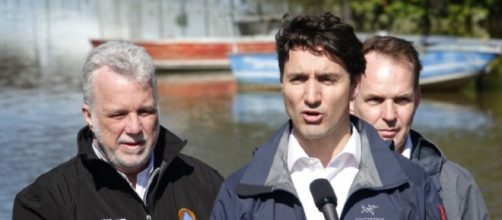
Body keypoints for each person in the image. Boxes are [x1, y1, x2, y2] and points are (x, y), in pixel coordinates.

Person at [211, 12, 444, 220]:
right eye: (298, 79)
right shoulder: (240, 192)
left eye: (327, 79)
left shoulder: (412, 185)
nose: (311, 96)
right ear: (282, 84)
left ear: (354, 87)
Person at [13, 41, 223, 220]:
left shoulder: (208, 184)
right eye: (118, 115)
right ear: (89, 116)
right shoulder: (45, 202)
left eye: (145, 112)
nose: (134, 128)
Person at [351, 35, 489, 219]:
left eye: (402, 100)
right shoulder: (322, 173)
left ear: (417, 100)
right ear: (351, 100)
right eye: (375, 100)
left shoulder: (455, 185)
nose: (390, 115)